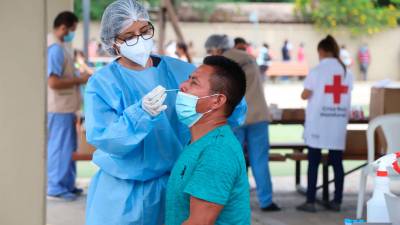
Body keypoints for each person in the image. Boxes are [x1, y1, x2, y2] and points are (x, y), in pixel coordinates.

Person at [84, 1, 246, 224]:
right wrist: (139, 114)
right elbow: (104, 136)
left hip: (175, 182)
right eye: (129, 37)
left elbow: (227, 100)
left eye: (144, 31)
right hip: (122, 194)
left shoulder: (180, 71)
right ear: (113, 42)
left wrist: (216, 141)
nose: (139, 40)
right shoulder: (102, 83)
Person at [166, 56, 250, 225]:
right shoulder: (200, 142)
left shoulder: (217, 152)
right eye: (188, 79)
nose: (182, 86)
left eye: (194, 83)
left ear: (217, 100)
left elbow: (198, 222)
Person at [205, 34, 281, 212]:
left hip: (236, 118)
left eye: (210, 50)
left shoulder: (220, 63)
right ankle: (266, 201)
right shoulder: (248, 58)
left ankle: (231, 202)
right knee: (260, 161)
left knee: (232, 161)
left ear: (217, 48)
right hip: (259, 115)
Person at [297, 35, 353, 213]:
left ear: (321, 51)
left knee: (313, 161)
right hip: (337, 122)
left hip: (319, 123)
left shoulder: (317, 70)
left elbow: (305, 95)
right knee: (337, 162)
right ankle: (337, 201)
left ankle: (311, 201)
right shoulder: (346, 72)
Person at [47, 11, 90, 201]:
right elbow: (53, 82)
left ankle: (67, 184)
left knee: (67, 148)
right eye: (72, 30)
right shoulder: (55, 49)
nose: (73, 33)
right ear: (64, 27)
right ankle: (56, 187)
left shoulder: (61, 47)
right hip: (59, 108)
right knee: (59, 148)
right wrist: (79, 80)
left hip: (66, 108)